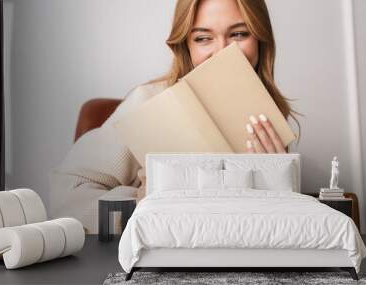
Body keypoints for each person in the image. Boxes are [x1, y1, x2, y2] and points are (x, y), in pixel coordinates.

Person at [49, 0, 301, 234]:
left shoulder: (270, 117)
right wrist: (145, 203)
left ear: (260, 39)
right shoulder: (148, 102)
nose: (223, 51)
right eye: (203, 38)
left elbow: (275, 229)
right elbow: (66, 195)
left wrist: (279, 190)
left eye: (239, 34)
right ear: (186, 46)